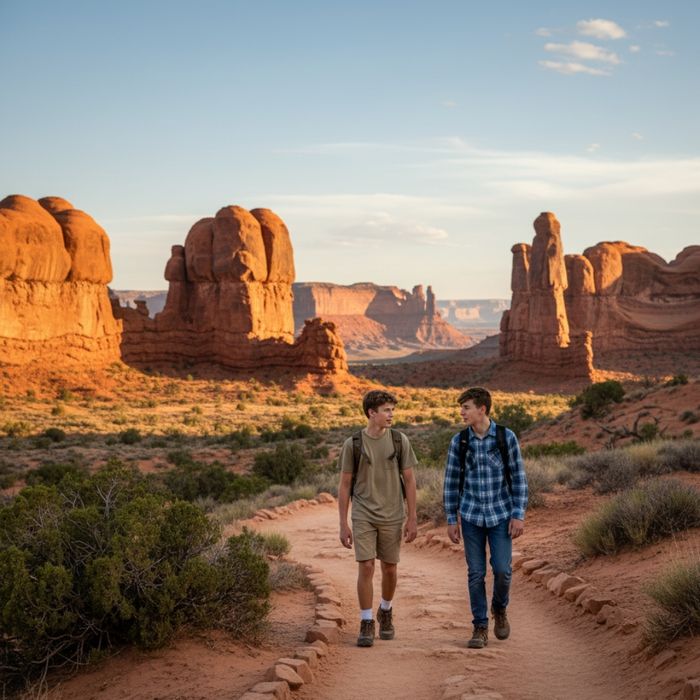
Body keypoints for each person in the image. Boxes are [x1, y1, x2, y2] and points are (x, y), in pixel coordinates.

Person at [443, 387, 528, 649]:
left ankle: (499, 609)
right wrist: (450, 518)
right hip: (470, 517)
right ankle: (480, 626)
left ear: (482, 409)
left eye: (466, 407)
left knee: (502, 570)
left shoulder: (505, 437)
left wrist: (518, 514)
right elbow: (451, 481)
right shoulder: (460, 442)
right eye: (461, 407)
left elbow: (519, 477)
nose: (462, 412)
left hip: (501, 515)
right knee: (475, 573)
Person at [337, 389, 418, 647]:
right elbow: (344, 485)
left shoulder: (399, 440)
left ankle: (386, 609)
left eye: (392, 409)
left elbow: (410, 479)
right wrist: (343, 523)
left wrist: (412, 517)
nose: (391, 414)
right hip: (363, 514)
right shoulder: (353, 444)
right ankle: (366, 621)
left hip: (393, 514)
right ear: (372, 413)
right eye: (386, 410)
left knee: (390, 568)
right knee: (367, 566)